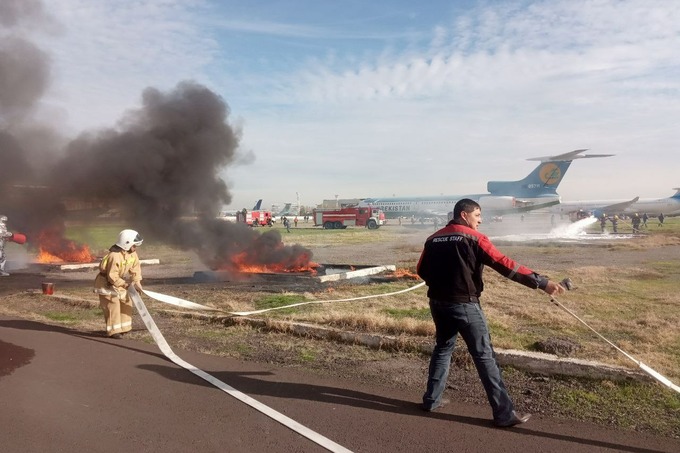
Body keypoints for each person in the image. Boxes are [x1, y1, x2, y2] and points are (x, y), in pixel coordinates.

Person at [417, 199, 565, 427]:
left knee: (443, 349)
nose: (481, 219)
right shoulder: (476, 238)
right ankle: (504, 414)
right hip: (465, 305)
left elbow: (421, 270)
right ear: (464, 215)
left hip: (438, 304)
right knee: (484, 356)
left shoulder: (433, 238)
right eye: (477, 215)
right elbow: (504, 264)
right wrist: (542, 283)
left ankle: (431, 400)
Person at [94, 229, 144, 339]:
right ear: (127, 244)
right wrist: (126, 285)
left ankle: (125, 328)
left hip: (119, 282)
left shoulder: (132, 254)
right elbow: (112, 277)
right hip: (106, 283)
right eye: (134, 245)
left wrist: (137, 282)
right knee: (113, 305)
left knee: (127, 300)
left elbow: (136, 269)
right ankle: (114, 330)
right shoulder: (114, 256)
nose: (135, 248)